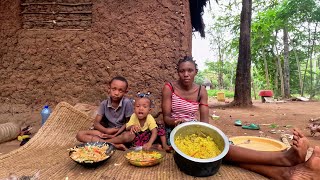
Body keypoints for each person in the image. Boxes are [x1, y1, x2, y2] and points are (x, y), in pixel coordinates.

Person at [161, 55, 320, 179]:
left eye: (190, 70)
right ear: (178, 72)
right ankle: (284, 159)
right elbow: (166, 118)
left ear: (196, 71)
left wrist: (210, 136)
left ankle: (288, 173)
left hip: (194, 131)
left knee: (220, 148)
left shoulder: (201, 90)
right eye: (182, 71)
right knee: (224, 152)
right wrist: (176, 122)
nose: (186, 74)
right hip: (174, 134)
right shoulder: (169, 88)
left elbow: (204, 123)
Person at [76, 76, 134, 149]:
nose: (116, 93)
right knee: (80, 135)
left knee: (129, 136)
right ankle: (113, 145)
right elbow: (96, 123)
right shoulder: (104, 104)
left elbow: (129, 122)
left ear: (125, 92)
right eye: (114, 89)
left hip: (120, 133)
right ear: (109, 89)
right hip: (106, 132)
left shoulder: (127, 103)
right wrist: (106, 130)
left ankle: (103, 143)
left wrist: (115, 134)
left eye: (120, 90)